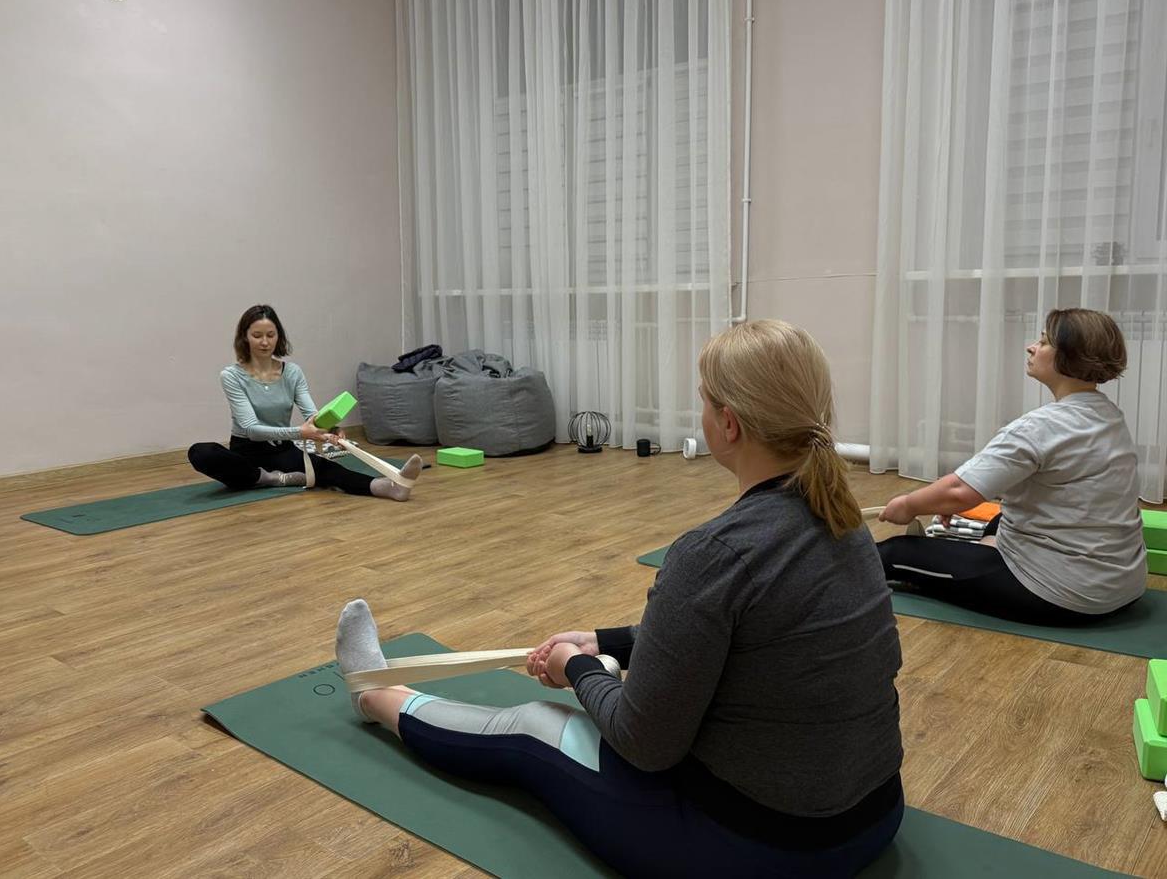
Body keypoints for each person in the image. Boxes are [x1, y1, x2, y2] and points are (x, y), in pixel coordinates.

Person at [334, 320, 904, 878]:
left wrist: (575, 666)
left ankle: (374, 695)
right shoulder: (846, 523)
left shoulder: (713, 553)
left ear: (728, 423)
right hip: (873, 822)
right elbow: (751, 638)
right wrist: (604, 642)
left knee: (532, 724)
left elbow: (643, 742)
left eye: (704, 402)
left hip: (753, 850)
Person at [877, 308, 1147, 624]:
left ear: (1068, 357)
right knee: (1001, 519)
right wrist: (943, 501)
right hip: (1124, 585)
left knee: (892, 553)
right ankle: (991, 552)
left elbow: (959, 491)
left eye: (1043, 342)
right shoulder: (1110, 415)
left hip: (1064, 595)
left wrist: (908, 505)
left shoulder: (1040, 426)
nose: (1031, 347)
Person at [188, 304, 421, 500]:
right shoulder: (231, 376)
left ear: (279, 336)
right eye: (257, 336)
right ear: (244, 338)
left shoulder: (292, 372)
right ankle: (268, 478)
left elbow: (312, 414)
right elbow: (252, 430)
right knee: (201, 452)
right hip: (246, 450)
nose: (265, 342)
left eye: (271, 335)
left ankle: (391, 487)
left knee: (323, 468)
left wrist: (330, 429)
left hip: (282, 449)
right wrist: (301, 433)